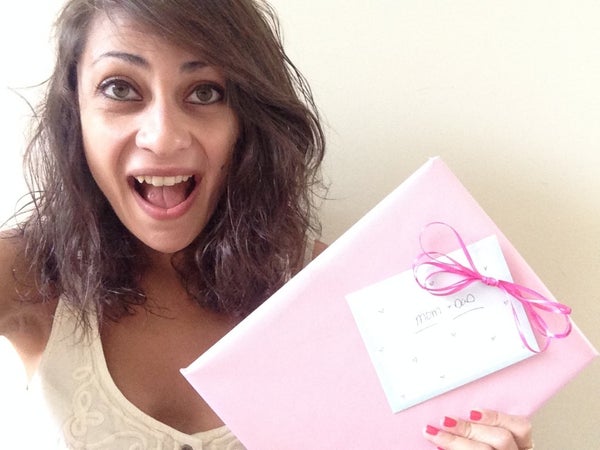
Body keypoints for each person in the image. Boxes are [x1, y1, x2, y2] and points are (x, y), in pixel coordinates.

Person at [0, 0, 534, 449]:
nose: (163, 137)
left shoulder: (344, 290)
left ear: (247, 121)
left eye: (205, 91)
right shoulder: (27, 276)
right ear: (76, 115)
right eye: (120, 89)